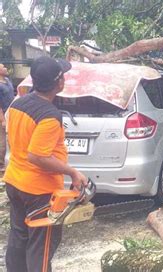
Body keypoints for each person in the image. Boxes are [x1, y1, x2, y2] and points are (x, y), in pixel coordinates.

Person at [3, 56, 88, 272]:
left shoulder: (17, 103)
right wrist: (72, 172)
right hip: (38, 191)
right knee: (41, 246)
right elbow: (37, 156)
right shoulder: (49, 116)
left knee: (19, 236)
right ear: (59, 82)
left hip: (15, 181)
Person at [0, 63, 15, 172]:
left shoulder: (7, 81)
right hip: (3, 115)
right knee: (3, 142)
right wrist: (3, 119)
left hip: (11, 114)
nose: (5, 68)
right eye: (3, 67)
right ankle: (1, 165)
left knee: (11, 139)